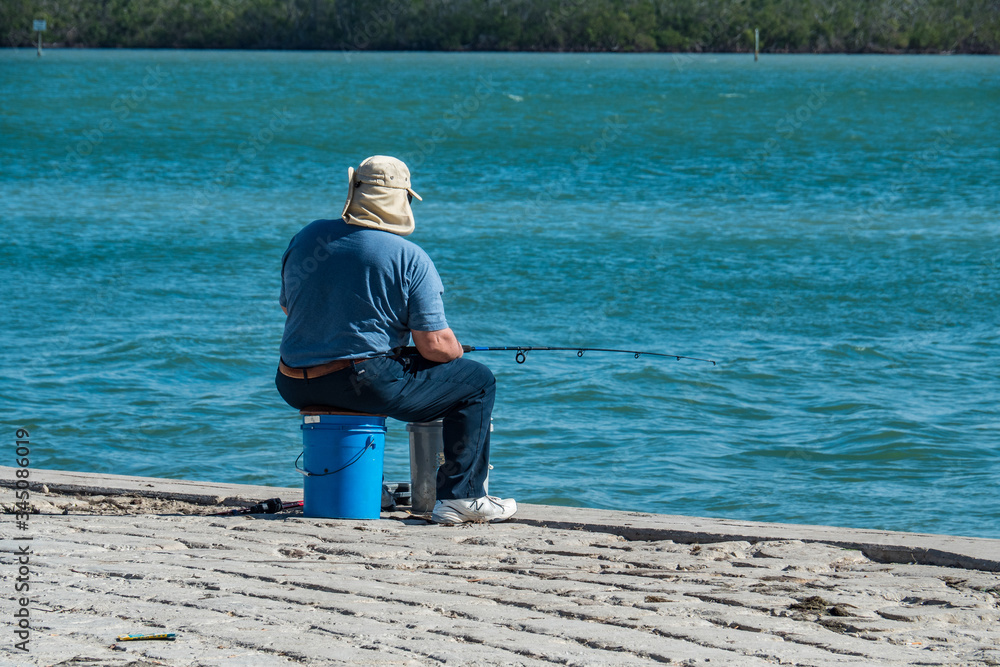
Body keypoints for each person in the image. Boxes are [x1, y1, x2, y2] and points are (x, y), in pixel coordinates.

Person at [274, 155, 516, 524]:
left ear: (355, 190)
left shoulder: (307, 237)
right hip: (360, 384)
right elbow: (435, 346)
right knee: (477, 382)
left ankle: (368, 487)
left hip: (293, 382)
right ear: (403, 199)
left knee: (383, 368)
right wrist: (454, 350)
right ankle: (462, 496)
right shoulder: (409, 258)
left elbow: (290, 308)